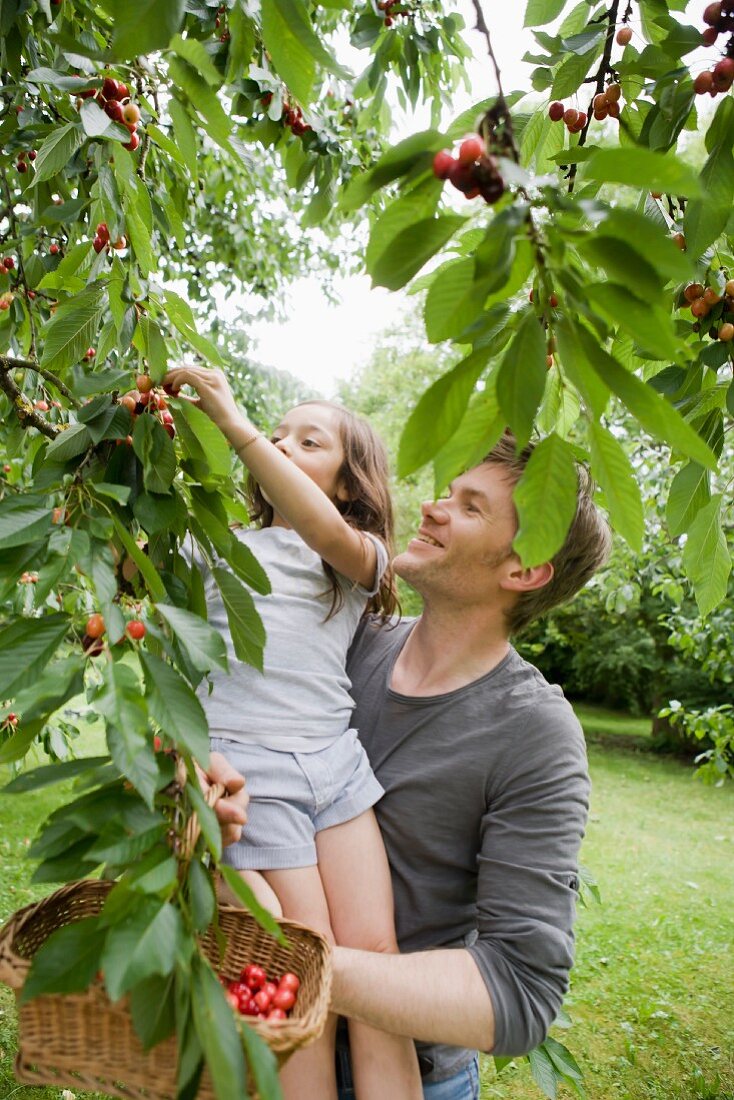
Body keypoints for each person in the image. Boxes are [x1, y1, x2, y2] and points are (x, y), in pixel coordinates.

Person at [325, 433, 612, 1099]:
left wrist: (301, 965)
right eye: (447, 492)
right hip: (259, 1039)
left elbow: (518, 991)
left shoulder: (536, 733)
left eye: (470, 507)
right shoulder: (351, 642)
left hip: (409, 1076)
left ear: (524, 569)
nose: (430, 507)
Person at [164, 365, 423, 1100]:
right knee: (302, 973)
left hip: (336, 772)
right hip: (255, 772)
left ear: (348, 483)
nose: (279, 445)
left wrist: (239, 428)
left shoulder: (353, 555)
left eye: (307, 442)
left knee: (377, 959)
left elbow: (316, 524)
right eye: (278, 436)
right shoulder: (218, 545)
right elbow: (136, 569)